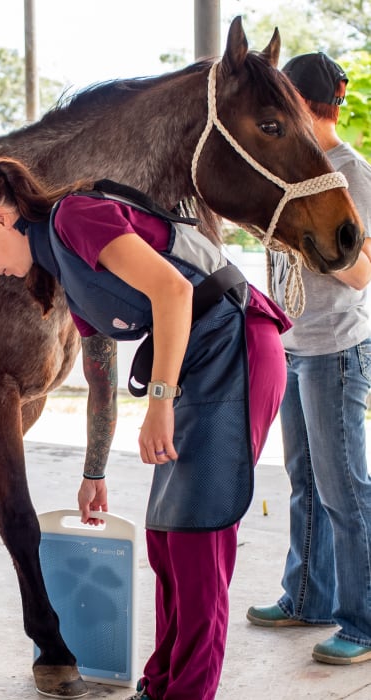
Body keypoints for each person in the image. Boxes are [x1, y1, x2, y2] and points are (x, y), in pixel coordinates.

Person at [0, 158, 290, 700]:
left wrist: (159, 402)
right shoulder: (65, 271)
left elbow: (174, 292)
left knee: (200, 543)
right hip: (194, 366)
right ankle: (160, 686)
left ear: (0, 217)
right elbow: (101, 380)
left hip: (237, 350)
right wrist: (94, 471)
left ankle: (187, 692)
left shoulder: (75, 218)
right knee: (164, 540)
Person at [246, 53, 371, 665]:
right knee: (305, 483)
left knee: (346, 491)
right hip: (294, 345)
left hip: (337, 348)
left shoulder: (350, 173)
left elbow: (362, 274)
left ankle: (364, 622)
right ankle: (306, 597)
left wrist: (307, 236)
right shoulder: (291, 173)